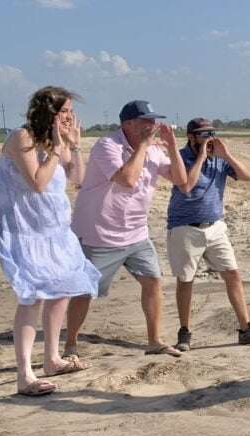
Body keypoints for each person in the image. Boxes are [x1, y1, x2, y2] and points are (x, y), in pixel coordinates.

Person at [0, 87, 102, 396]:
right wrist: (55, 144)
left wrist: (74, 146)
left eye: (70, 111)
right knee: (33, 297)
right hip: (24, 232)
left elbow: (78, 178)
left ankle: (52, 359)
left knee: (61, 291)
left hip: (55, 230)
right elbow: (38, 182)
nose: (70, 116)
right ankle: (25, 375)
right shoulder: (21, 138)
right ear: (49, 112)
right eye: (65, 111)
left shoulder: (58, 141)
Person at [66, 100, 187, 357]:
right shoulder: (107, 145)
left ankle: (155, 341)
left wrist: (173, 147)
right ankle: (70, 345)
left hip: (136, 232)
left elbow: (181, 180)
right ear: (128, 123)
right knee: (85, 290)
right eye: (147, 121)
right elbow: (127, 180)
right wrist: (143, 145)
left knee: (153, 280)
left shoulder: (153, 150)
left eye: (154, 121)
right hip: (99, 234)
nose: (152, 126)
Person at [167, 118, 250, 351]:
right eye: (203, 134)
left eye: (211, 133)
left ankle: (246, 329)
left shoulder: (219, 160)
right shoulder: (180, 157)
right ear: (191, 137)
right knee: (185, 281)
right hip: (185, 227)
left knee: (232, 274)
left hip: (214, 227)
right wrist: (202, 157)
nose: (209, 139)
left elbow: (247, 176)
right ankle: (184, 332)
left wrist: (227, 156)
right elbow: (187, 185)